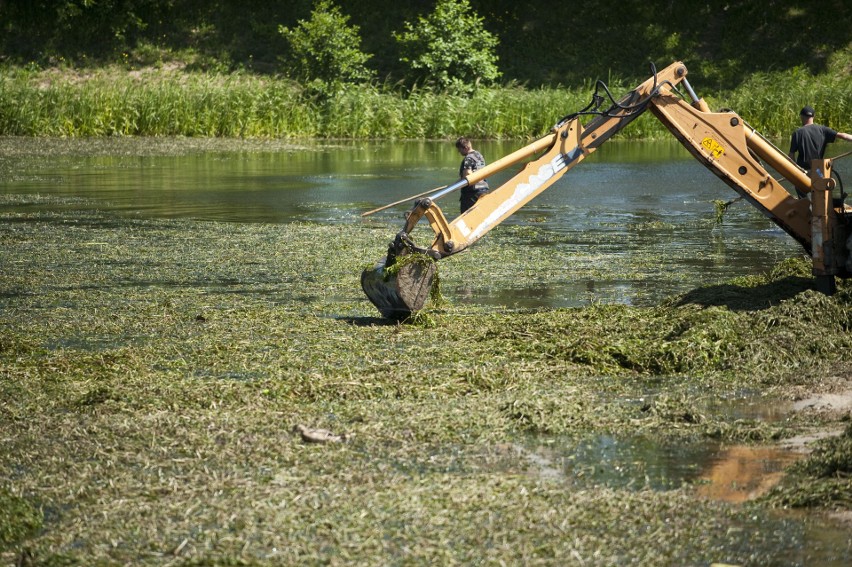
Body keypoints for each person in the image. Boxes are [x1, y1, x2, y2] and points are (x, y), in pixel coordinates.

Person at [788, 105, 852, 171]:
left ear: (801, 116)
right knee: (821, 176)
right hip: (818, 171)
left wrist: (796, 170)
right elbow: (843, 135)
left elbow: (791, 155)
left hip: (802, 172)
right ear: (813, 117)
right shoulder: (823, 130)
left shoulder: (797, 133)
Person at [455, 137, 489, 213]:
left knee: (466, 216)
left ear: (465, 148)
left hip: (471, 194)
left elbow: (468, 175)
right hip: (483, 190)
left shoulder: (468, 158)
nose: (459, 152)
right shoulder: (479, 156)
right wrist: (454, 185)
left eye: (459, 149)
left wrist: (455, 186)